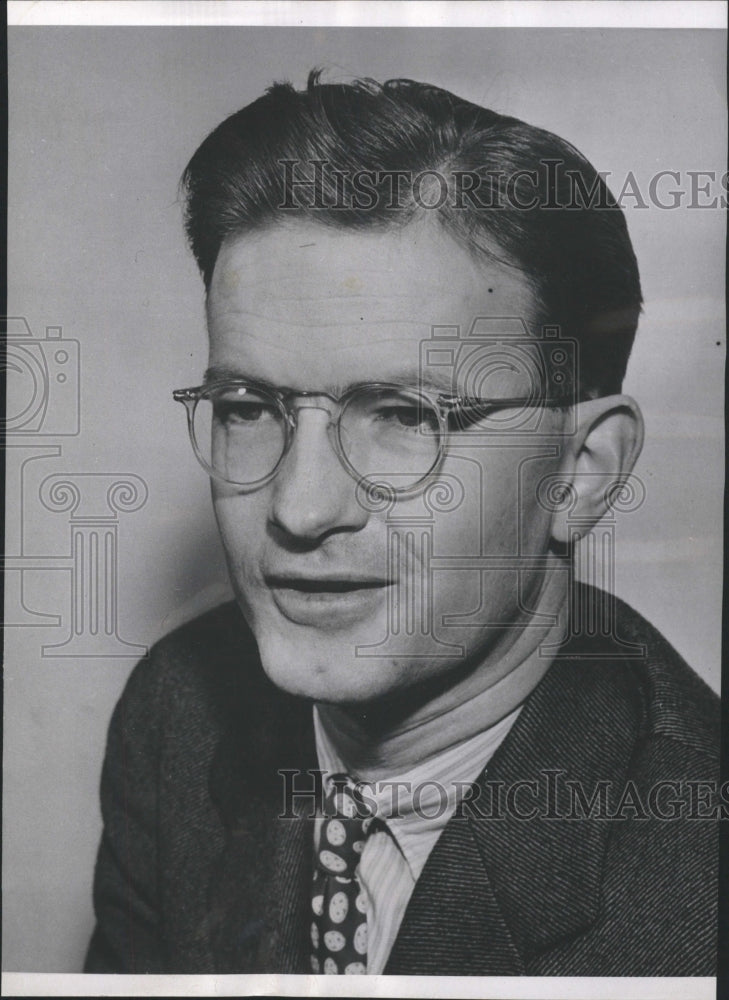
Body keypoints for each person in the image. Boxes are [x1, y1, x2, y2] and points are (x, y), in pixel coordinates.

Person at [85, 72, 719, 977]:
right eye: (246, 404)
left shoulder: (698, 879)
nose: (299, 510)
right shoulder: (177, 718)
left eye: (402, 416)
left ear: (581, 472)